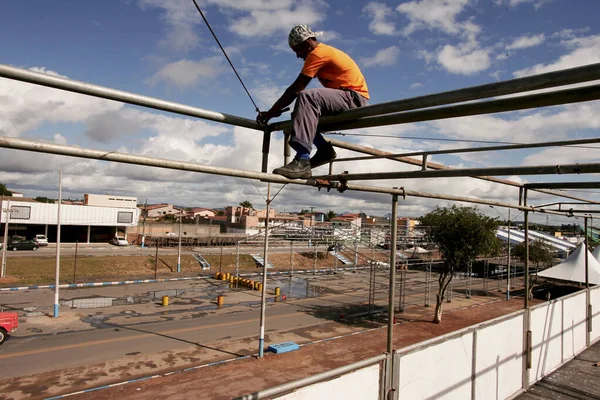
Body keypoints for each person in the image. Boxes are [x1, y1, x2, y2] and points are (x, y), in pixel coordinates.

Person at [257, 25, 369, 179]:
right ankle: (324, 150)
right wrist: (274, 111)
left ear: (308, 42)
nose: (298, 55)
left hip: (353, 97)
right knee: (299, 113)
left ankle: (302, 160)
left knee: (307, 97)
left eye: (298, 50)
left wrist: (271, 112)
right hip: (345, 96)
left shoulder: (318, 53)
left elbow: (297, 88)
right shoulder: (319, 52)